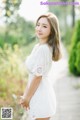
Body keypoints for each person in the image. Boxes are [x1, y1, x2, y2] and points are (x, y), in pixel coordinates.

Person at [19, 12, 62, 120]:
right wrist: (25, 96)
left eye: (44, 26)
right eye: (38, 25)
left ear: (52, 30)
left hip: (41, 96)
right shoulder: (37, 46)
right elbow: (32, 75)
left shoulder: (43, 49)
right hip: (36, 94)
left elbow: (38, 76)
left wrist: (27, 98)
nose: (39, 28)